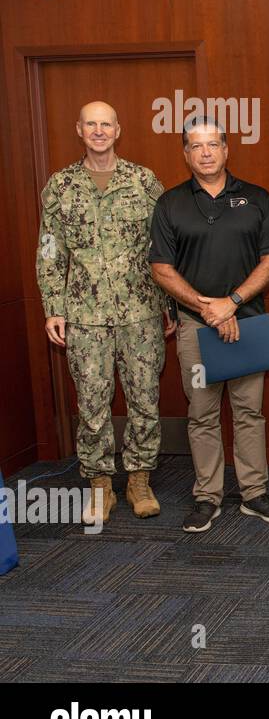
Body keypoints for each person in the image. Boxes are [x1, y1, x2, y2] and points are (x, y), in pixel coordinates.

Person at [149, 116, 269, 533]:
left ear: (227, 149)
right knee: (202, 413)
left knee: (250, 412)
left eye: (213, 144)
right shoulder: (170, 203)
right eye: (197, 146)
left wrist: (230, 304)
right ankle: (206, 496)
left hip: (246, 320)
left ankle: (254, 493)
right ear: (186, 153)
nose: (206, 152)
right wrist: (207, 308)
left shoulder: (257, 198)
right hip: (195, 325)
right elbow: (160, 267)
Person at [36, 101, 173, 525]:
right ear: (79, 129)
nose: (98, 131)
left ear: (119, 129)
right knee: (92, 402)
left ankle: (139, 479)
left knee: (144, 399)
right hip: (84, 316)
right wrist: (53, 308)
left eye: (106, 124)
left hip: (141, 313)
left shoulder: (144, 181)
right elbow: (50, 252)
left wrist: (170, 306)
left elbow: (164, 249)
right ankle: (99, 484)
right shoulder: (60, 186)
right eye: (91, 124)